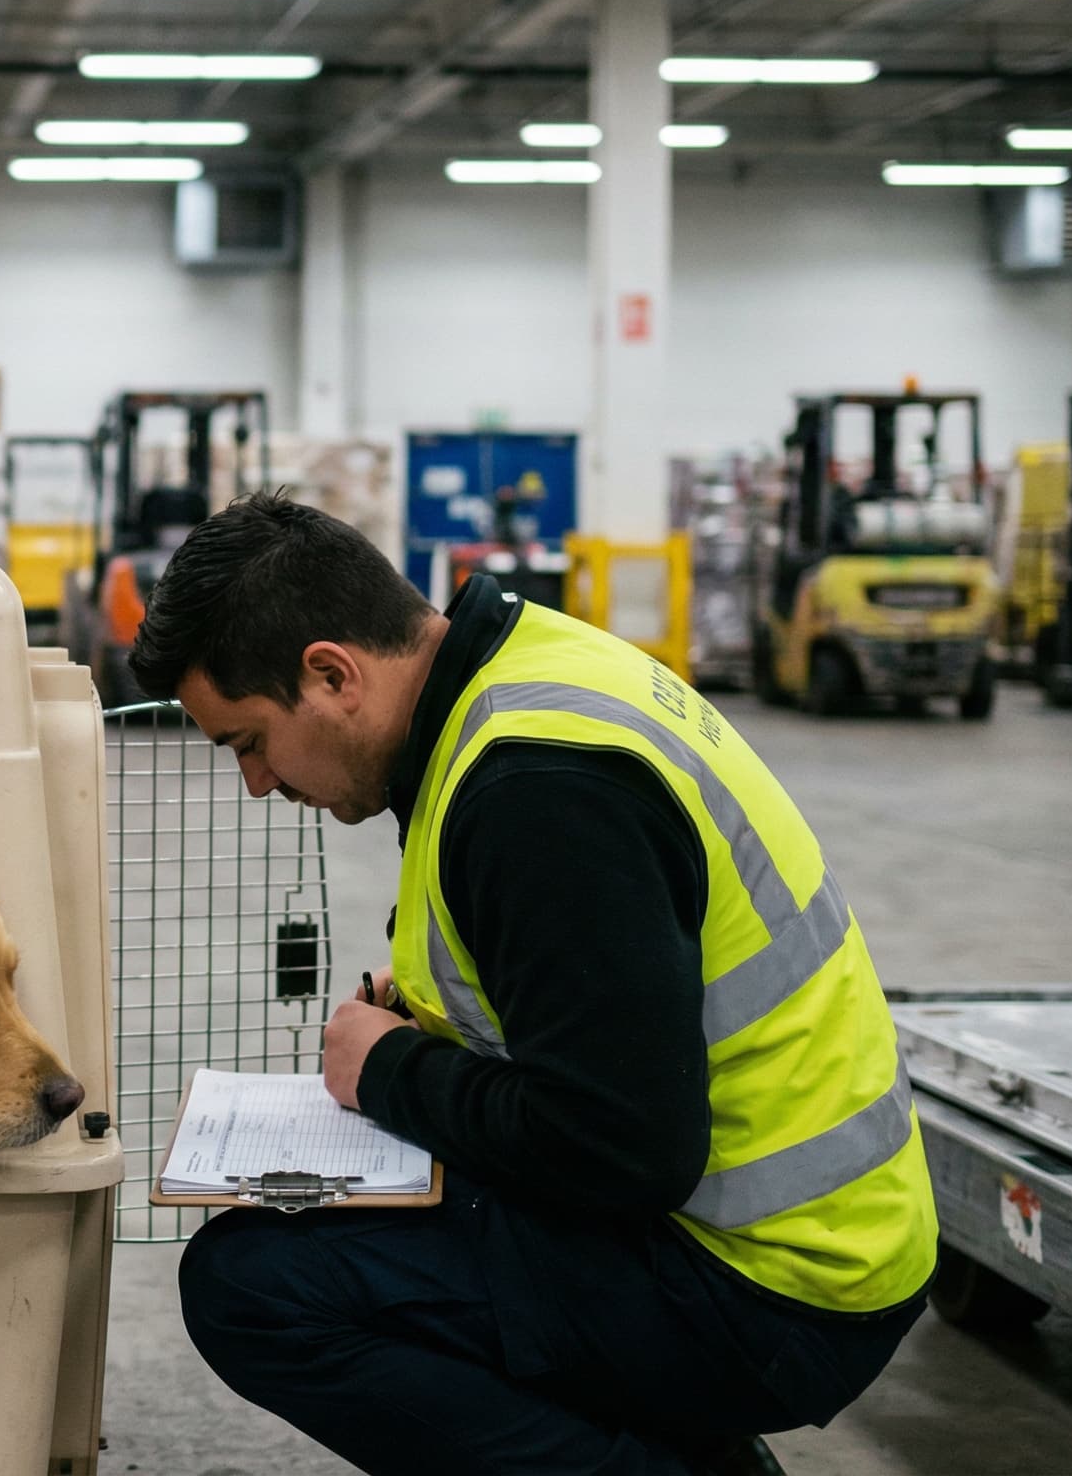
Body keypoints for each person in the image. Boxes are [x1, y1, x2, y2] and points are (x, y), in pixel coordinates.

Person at [128, 493, 936, 1476]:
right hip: (800, 1236)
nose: (256, 782)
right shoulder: (520, 673)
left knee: (256, 1286)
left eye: (245, 741)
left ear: (331, 673)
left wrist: (388, 1074)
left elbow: (620, 1152)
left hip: (770, 1286)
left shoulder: (537, 794)